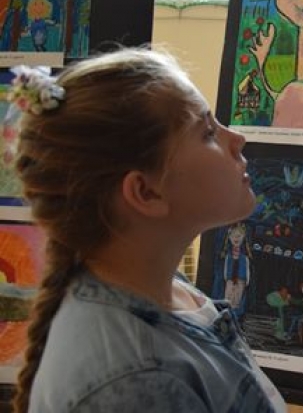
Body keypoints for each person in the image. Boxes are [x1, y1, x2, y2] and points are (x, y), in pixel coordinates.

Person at [10, 49, 287, 412]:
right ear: (146, 192)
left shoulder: (165, 287)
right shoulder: (136, 383)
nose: (237, 139)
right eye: (207, 132)